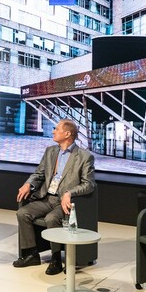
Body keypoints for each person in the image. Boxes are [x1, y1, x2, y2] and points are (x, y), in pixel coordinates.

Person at [14, 118, 96, 275]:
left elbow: (89, 184)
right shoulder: (50, 151)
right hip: (47, 197)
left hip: (63, 202)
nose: (53, 132)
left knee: (51, 219)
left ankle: (56, 259)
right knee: (22, 213)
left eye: (57, 129)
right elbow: (39, 173)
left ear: (67, 134)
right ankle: (31, 254)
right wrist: (28, 184)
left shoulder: (84, 157)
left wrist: (69, 193)